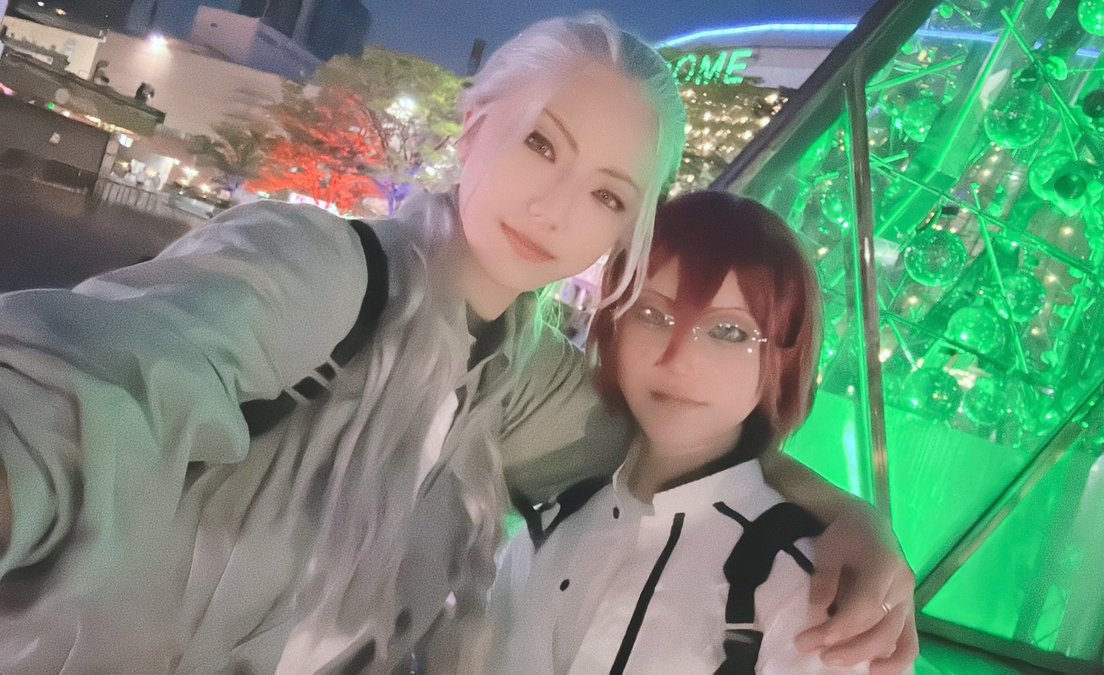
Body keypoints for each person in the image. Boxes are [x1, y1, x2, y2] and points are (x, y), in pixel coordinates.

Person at [0, 14, 914, 675]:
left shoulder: (526, 384)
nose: (555, 208)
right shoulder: (318, 272)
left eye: (608, 194)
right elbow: (96, 383)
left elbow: (675, 449)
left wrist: (849, 516)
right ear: (475, 126)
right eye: (542, 144)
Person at [488, 191, 910, 674]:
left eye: (728, 331)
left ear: (784, 360)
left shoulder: (802, 587)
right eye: (652, 314)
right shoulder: (556, 520)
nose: (678, 358)